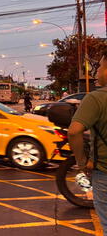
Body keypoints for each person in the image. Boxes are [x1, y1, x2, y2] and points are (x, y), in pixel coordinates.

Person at [69, 54, 107, 231]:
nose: (96, 72)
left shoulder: (96, 98)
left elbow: (74, 131)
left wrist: (82, 163)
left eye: (99, 67)